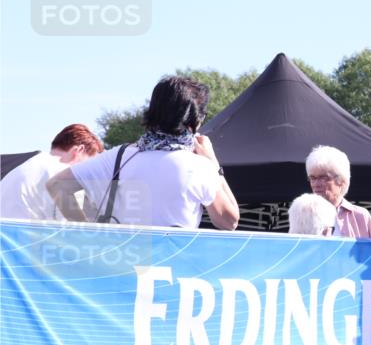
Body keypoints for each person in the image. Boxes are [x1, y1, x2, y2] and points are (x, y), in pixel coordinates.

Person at [48, 77, 239, 230]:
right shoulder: (199, 167)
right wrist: (214, 165)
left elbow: (57, 185)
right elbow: (230, 222)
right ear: (193, 122)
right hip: (171, 268)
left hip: (124, 264)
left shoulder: (120, 155)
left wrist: (92, 229)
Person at [1, 124, 104, 221]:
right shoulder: (63, 175)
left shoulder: (28, 163)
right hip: (24, 238)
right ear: (79, 150)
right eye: (88, 164)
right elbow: (74, 230)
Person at [305, 145, 371, 239]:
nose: (316, 184)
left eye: (323, 178)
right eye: (312, 178)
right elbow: (292, 251)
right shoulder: (303, 214)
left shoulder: (360, 216)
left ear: (341, 181)